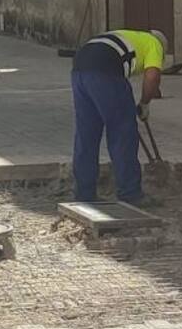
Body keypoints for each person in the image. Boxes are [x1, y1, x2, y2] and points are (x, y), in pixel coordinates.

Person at [71, 28, 167, 206]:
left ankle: (84, 193)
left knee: (87, 134)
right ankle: (130, 193)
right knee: (122, 132)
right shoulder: (155, 43)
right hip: (105, 70)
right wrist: (145, 103)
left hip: (80, 68)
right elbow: (153, 77)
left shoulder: (127, 35)